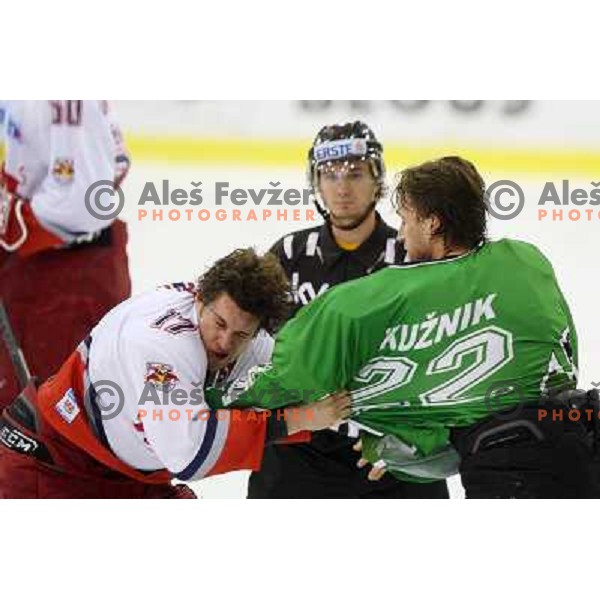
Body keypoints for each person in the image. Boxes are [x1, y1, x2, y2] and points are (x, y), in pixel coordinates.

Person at [221, 157, 599, 499]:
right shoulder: (527, 261)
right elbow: (559, 352)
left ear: (432, 223)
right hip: (583, 435)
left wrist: (211, 398)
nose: (400, 235)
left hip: (510, 468)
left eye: (406, 219)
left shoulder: (373, 299)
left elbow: (290, 373)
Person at [0, 249, 351, 498]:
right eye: (219, 323)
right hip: (49, 465)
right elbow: (188, 452)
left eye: (241, 334)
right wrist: (299, 419)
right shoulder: (165, 350)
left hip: (121, 475)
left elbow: (296, 384)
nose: (225, 343)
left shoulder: (245, 335)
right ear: (200, 299)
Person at [248, 121, 448, 499]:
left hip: (387, 442)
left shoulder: (412, 255)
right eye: (329, 175)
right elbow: (256, 350)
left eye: (355, 174)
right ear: (315, 182)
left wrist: (410, 431)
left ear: (378, 180)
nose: (342, 188)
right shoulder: (289, 254)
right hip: (301, 444)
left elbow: (440, 345)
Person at [0, 100, 131, 411]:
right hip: (41, 265)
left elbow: (83, 203)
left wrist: (14, 219)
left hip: (65, 276)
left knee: (51, 418)